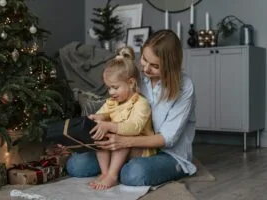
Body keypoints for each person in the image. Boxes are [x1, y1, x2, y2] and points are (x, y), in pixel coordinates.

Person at [66, 29, 197, 186]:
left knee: (134, 173)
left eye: (154, 66)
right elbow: (115, 105)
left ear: (170, 66)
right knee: (76, 164)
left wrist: (124, 142)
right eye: (144, 59)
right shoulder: (136, 76)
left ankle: (120, 170)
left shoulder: (184, 86)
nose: (146, 69)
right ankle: (113, 170)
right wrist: (101, 120)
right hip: (126, 146)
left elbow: (167, 139)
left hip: (167, 153)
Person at [88, 47, 157, 190]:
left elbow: (134, 127)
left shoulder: (141, 103)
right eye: (108, 88)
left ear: (131, 83)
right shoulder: (112, 102)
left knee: (120, 134)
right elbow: (103, 113)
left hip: (140, 150)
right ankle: (105, 172)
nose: (111, 92)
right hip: (118, 147)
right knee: (101, 134)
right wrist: (97, 117)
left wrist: (109, 126)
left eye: (115, 87)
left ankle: (113, 175)